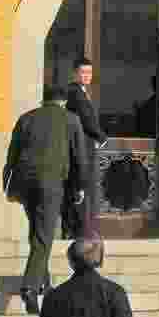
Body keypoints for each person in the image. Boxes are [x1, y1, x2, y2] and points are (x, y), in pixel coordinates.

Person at [3, 83, 90, 315]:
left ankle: (44, 283)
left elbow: (12, 154)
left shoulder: (26, 118)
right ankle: (30, 288)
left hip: (24, 184)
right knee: (44, 235)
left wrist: (7, 185)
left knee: (37, 231)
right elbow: (79, 158)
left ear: (43, 100)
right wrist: (80, 186)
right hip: (50, 185)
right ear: (64, 101)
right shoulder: (71, 120)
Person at [64, 58, 108, 237]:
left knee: (83, 187)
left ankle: (80, 229)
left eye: (89, 72)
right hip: (81, 146)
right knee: (81, 187)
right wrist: (102, 138)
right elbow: (86, 119)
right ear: (75, 73)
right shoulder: (75, 92)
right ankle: (79, 230)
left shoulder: (80, 91)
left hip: (84, 145)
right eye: (83, 72)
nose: (87, 76)